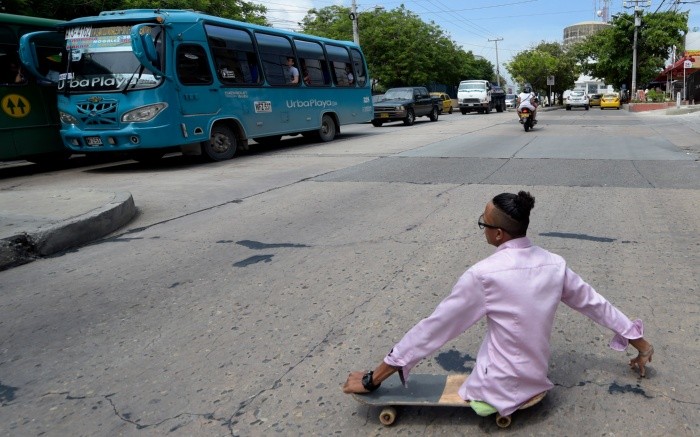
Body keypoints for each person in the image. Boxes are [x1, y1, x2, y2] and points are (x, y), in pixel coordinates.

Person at [343, 191, 654, 418]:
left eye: (484, 224)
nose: (483, 229)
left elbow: (435, 328)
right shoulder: (555, 265)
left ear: (499, 234)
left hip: (496, 388)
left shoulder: (483, 275)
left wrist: (374, 378)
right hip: (535, 379)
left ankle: (488, 401)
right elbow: (596, 304)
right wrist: (640, 343)